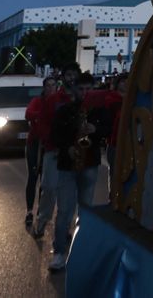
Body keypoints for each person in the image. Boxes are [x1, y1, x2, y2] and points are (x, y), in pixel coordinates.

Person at [46, 74, 107, 271]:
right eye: (81, 89)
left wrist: (95, 129)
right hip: (67, 165)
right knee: (64, 210)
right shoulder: (65, 111)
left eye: (88, 89)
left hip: (89, 163)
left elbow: (107, 130)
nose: (85, 93)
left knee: (86, 211)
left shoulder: (98, 111)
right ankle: (59, 252)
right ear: (74, 90)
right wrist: (67, 148)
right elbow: (55, 135)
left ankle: (81, 251)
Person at [26, 75, 69, 237]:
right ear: (44, 88)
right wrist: (41, 114)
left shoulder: (60, 102)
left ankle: (42, 213)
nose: (51, 88)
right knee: (34, 175)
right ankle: (30, 211)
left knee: (48, 184)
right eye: (48, 85)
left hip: (51, 144)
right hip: (37, 143)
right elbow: (29, 113)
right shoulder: (39, 101)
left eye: (53, 85)